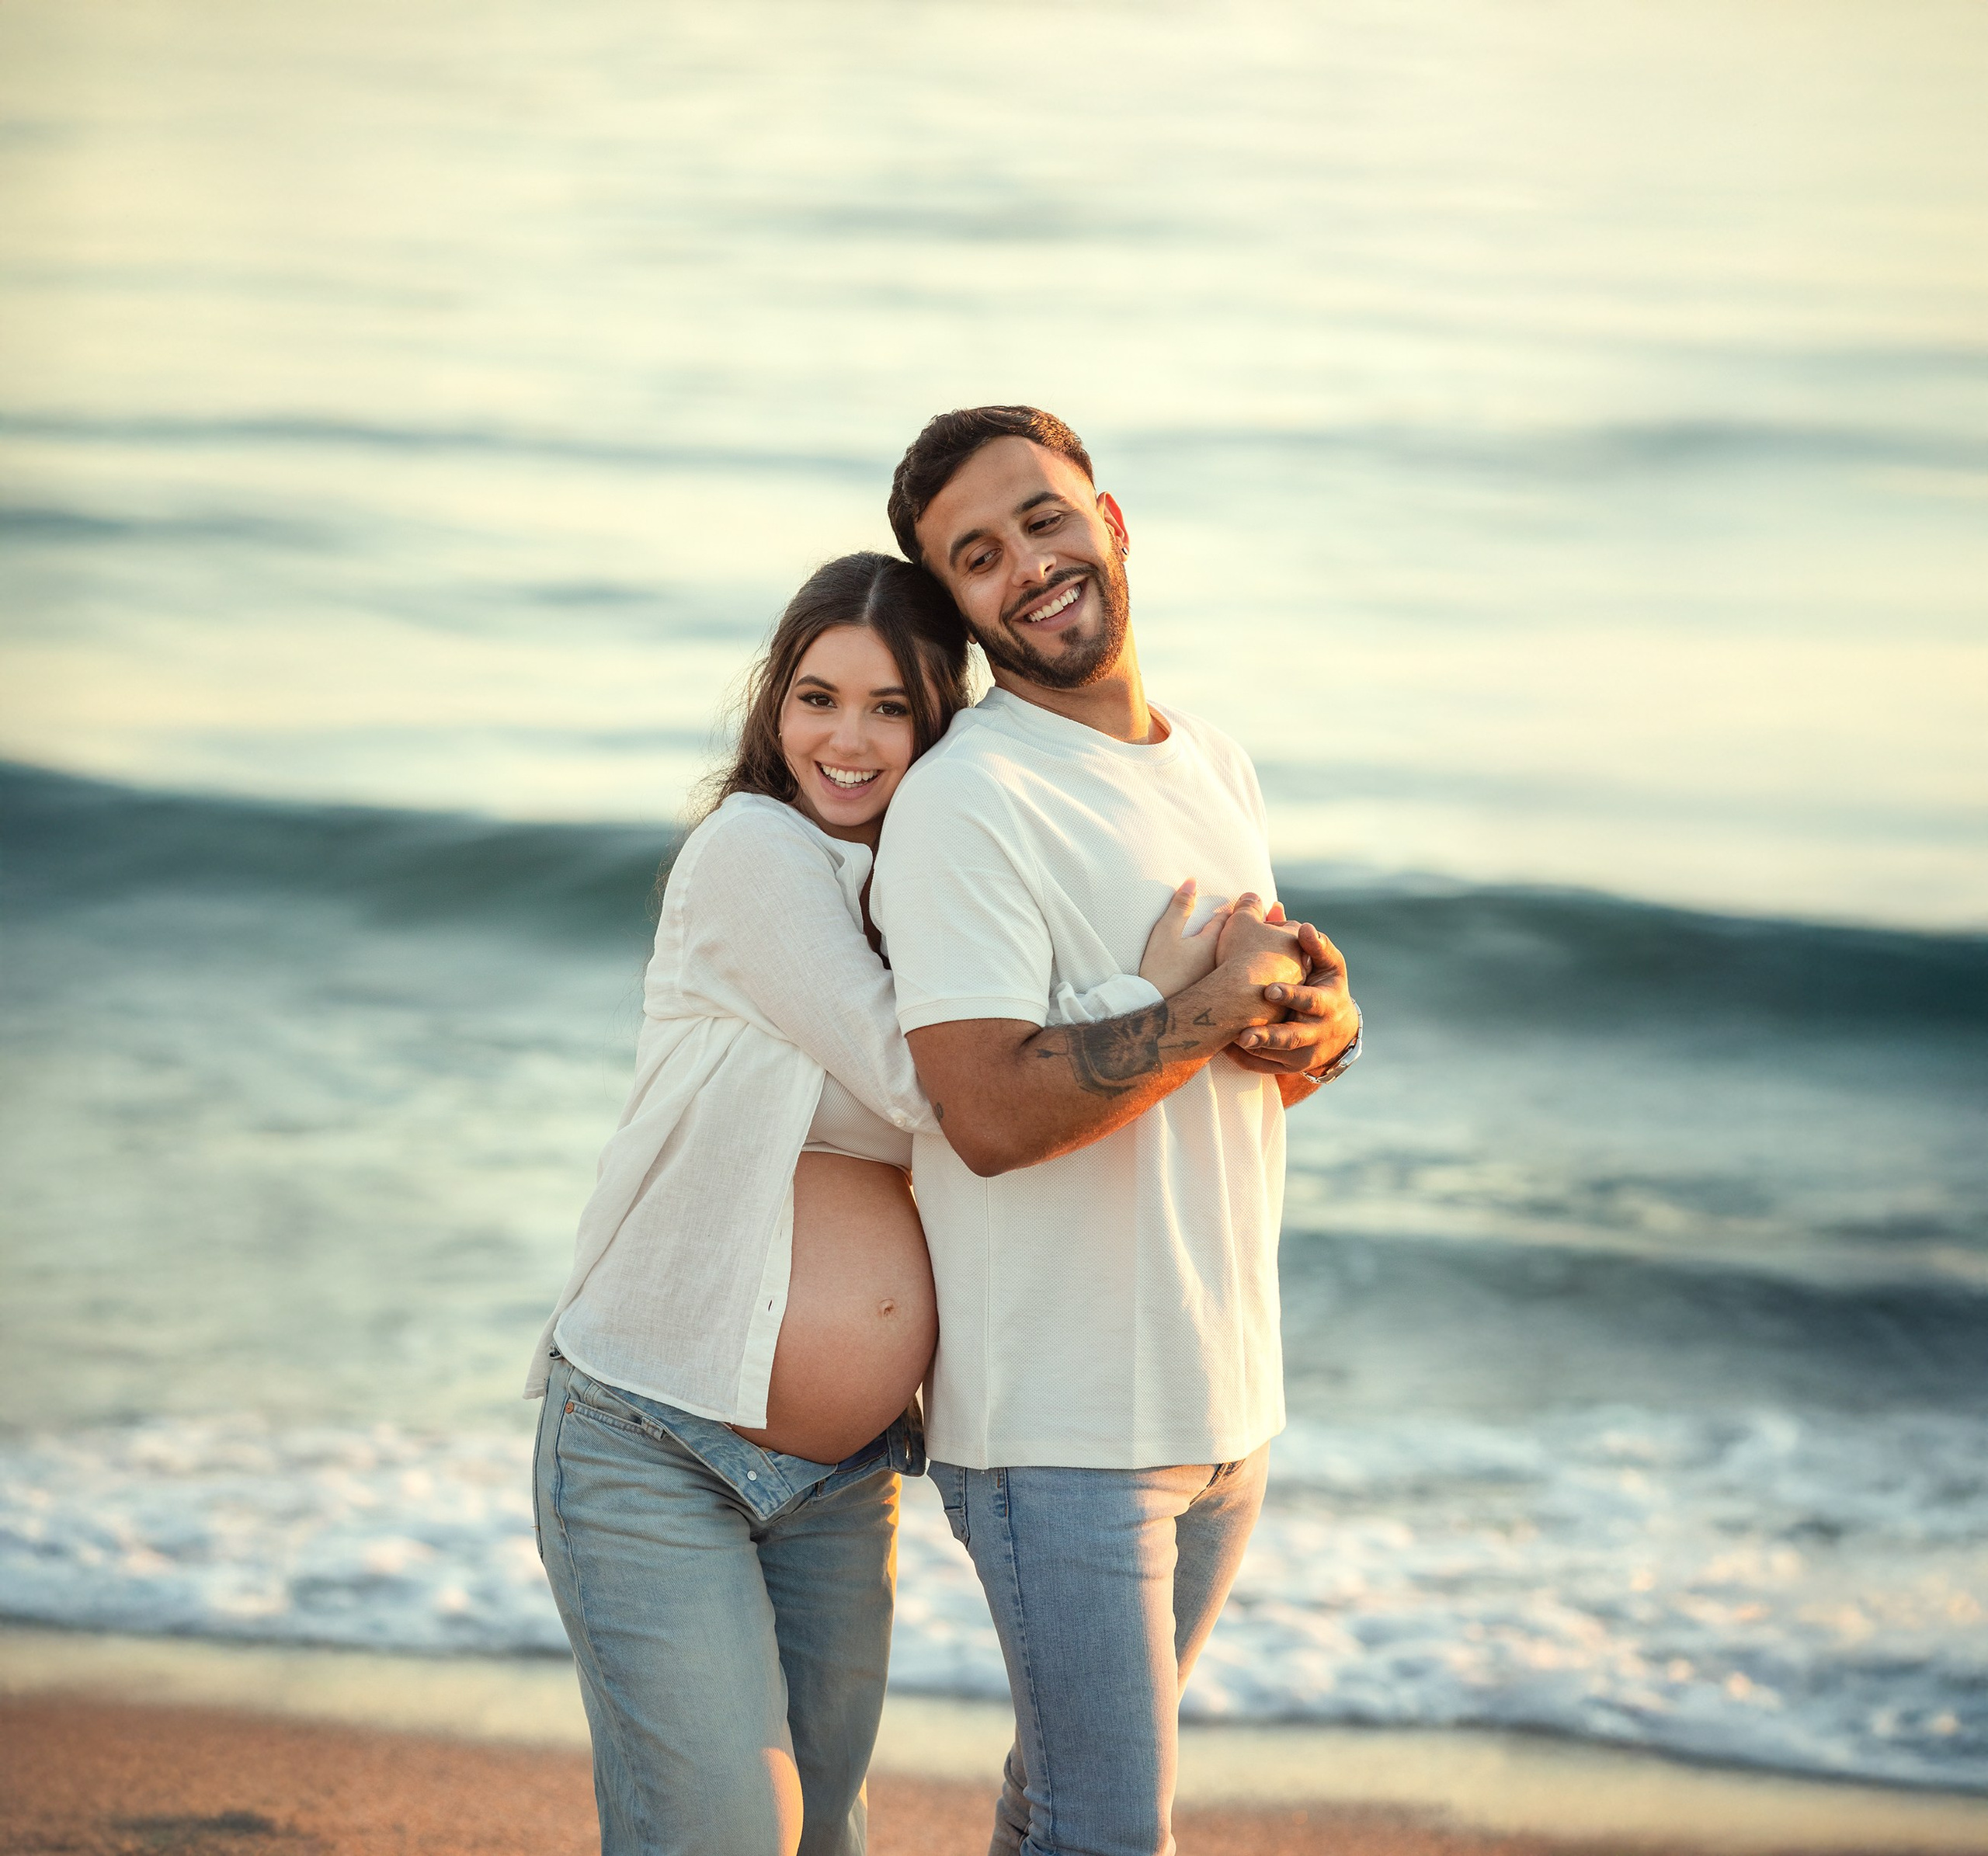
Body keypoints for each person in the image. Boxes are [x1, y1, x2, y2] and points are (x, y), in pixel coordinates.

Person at [522, 550, 1305, 1856]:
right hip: (657, 1442)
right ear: (775, 707)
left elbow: (1026, 1080)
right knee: (725, 1834)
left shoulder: (929, 894)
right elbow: (941, 1090)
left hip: (839, 1476)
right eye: (817, 696)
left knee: (824, 1838)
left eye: (891, 707)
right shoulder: (749, 854)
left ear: (937, 722)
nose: (848, 737)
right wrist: (1155, 1002)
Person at [871, 406, 1362, 1856]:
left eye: (1041, 518)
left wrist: (1320, 1028)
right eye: (976, 556)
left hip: (1222, 1397)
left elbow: (1250, 1036)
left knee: (1066, 1806)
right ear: (955, 606)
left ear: (1111, 518)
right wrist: (1206, 1007)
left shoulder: (1213, 760)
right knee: (1109, 1830)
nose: (1027, 564)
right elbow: (989, 1112)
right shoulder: (966, 802)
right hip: (1063, 1425)